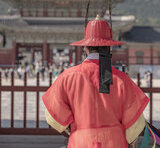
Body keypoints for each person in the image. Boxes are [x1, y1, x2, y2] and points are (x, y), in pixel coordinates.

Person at [42, 15, 149, 148]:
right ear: (110, 48)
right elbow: (135, 126)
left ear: (85, 48)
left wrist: (72, 129)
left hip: (80, 142)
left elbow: (53, 117)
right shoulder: (122, 79)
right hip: (114, 143)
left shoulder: (67, 77)